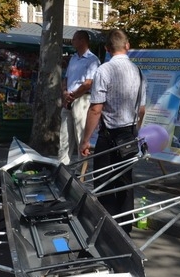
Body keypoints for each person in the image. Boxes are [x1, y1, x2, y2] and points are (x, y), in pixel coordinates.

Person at [79, 29, 145, 233]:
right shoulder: (138, 71)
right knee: (125, 181)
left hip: (109, 136)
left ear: (107, 49)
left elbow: (96, 109)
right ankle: (125, 228)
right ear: (127, 46)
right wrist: (135, 132)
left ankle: (108, 230)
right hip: (129, 133)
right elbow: (141, 109)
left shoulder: (104, 70)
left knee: (104, 182)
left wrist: (85, 139)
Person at [61, 30, 100, 165]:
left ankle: (81, 169)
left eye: (74, 39)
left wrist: (73, 96)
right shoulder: (73, 58)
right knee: (65, 136)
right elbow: (66, 78)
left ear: (82, 40)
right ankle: (63, 166)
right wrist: (65, 92)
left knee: (80, 135)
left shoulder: (93, 60)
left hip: (82, 99)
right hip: (69, 99)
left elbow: (88, 83)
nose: (72, 42)